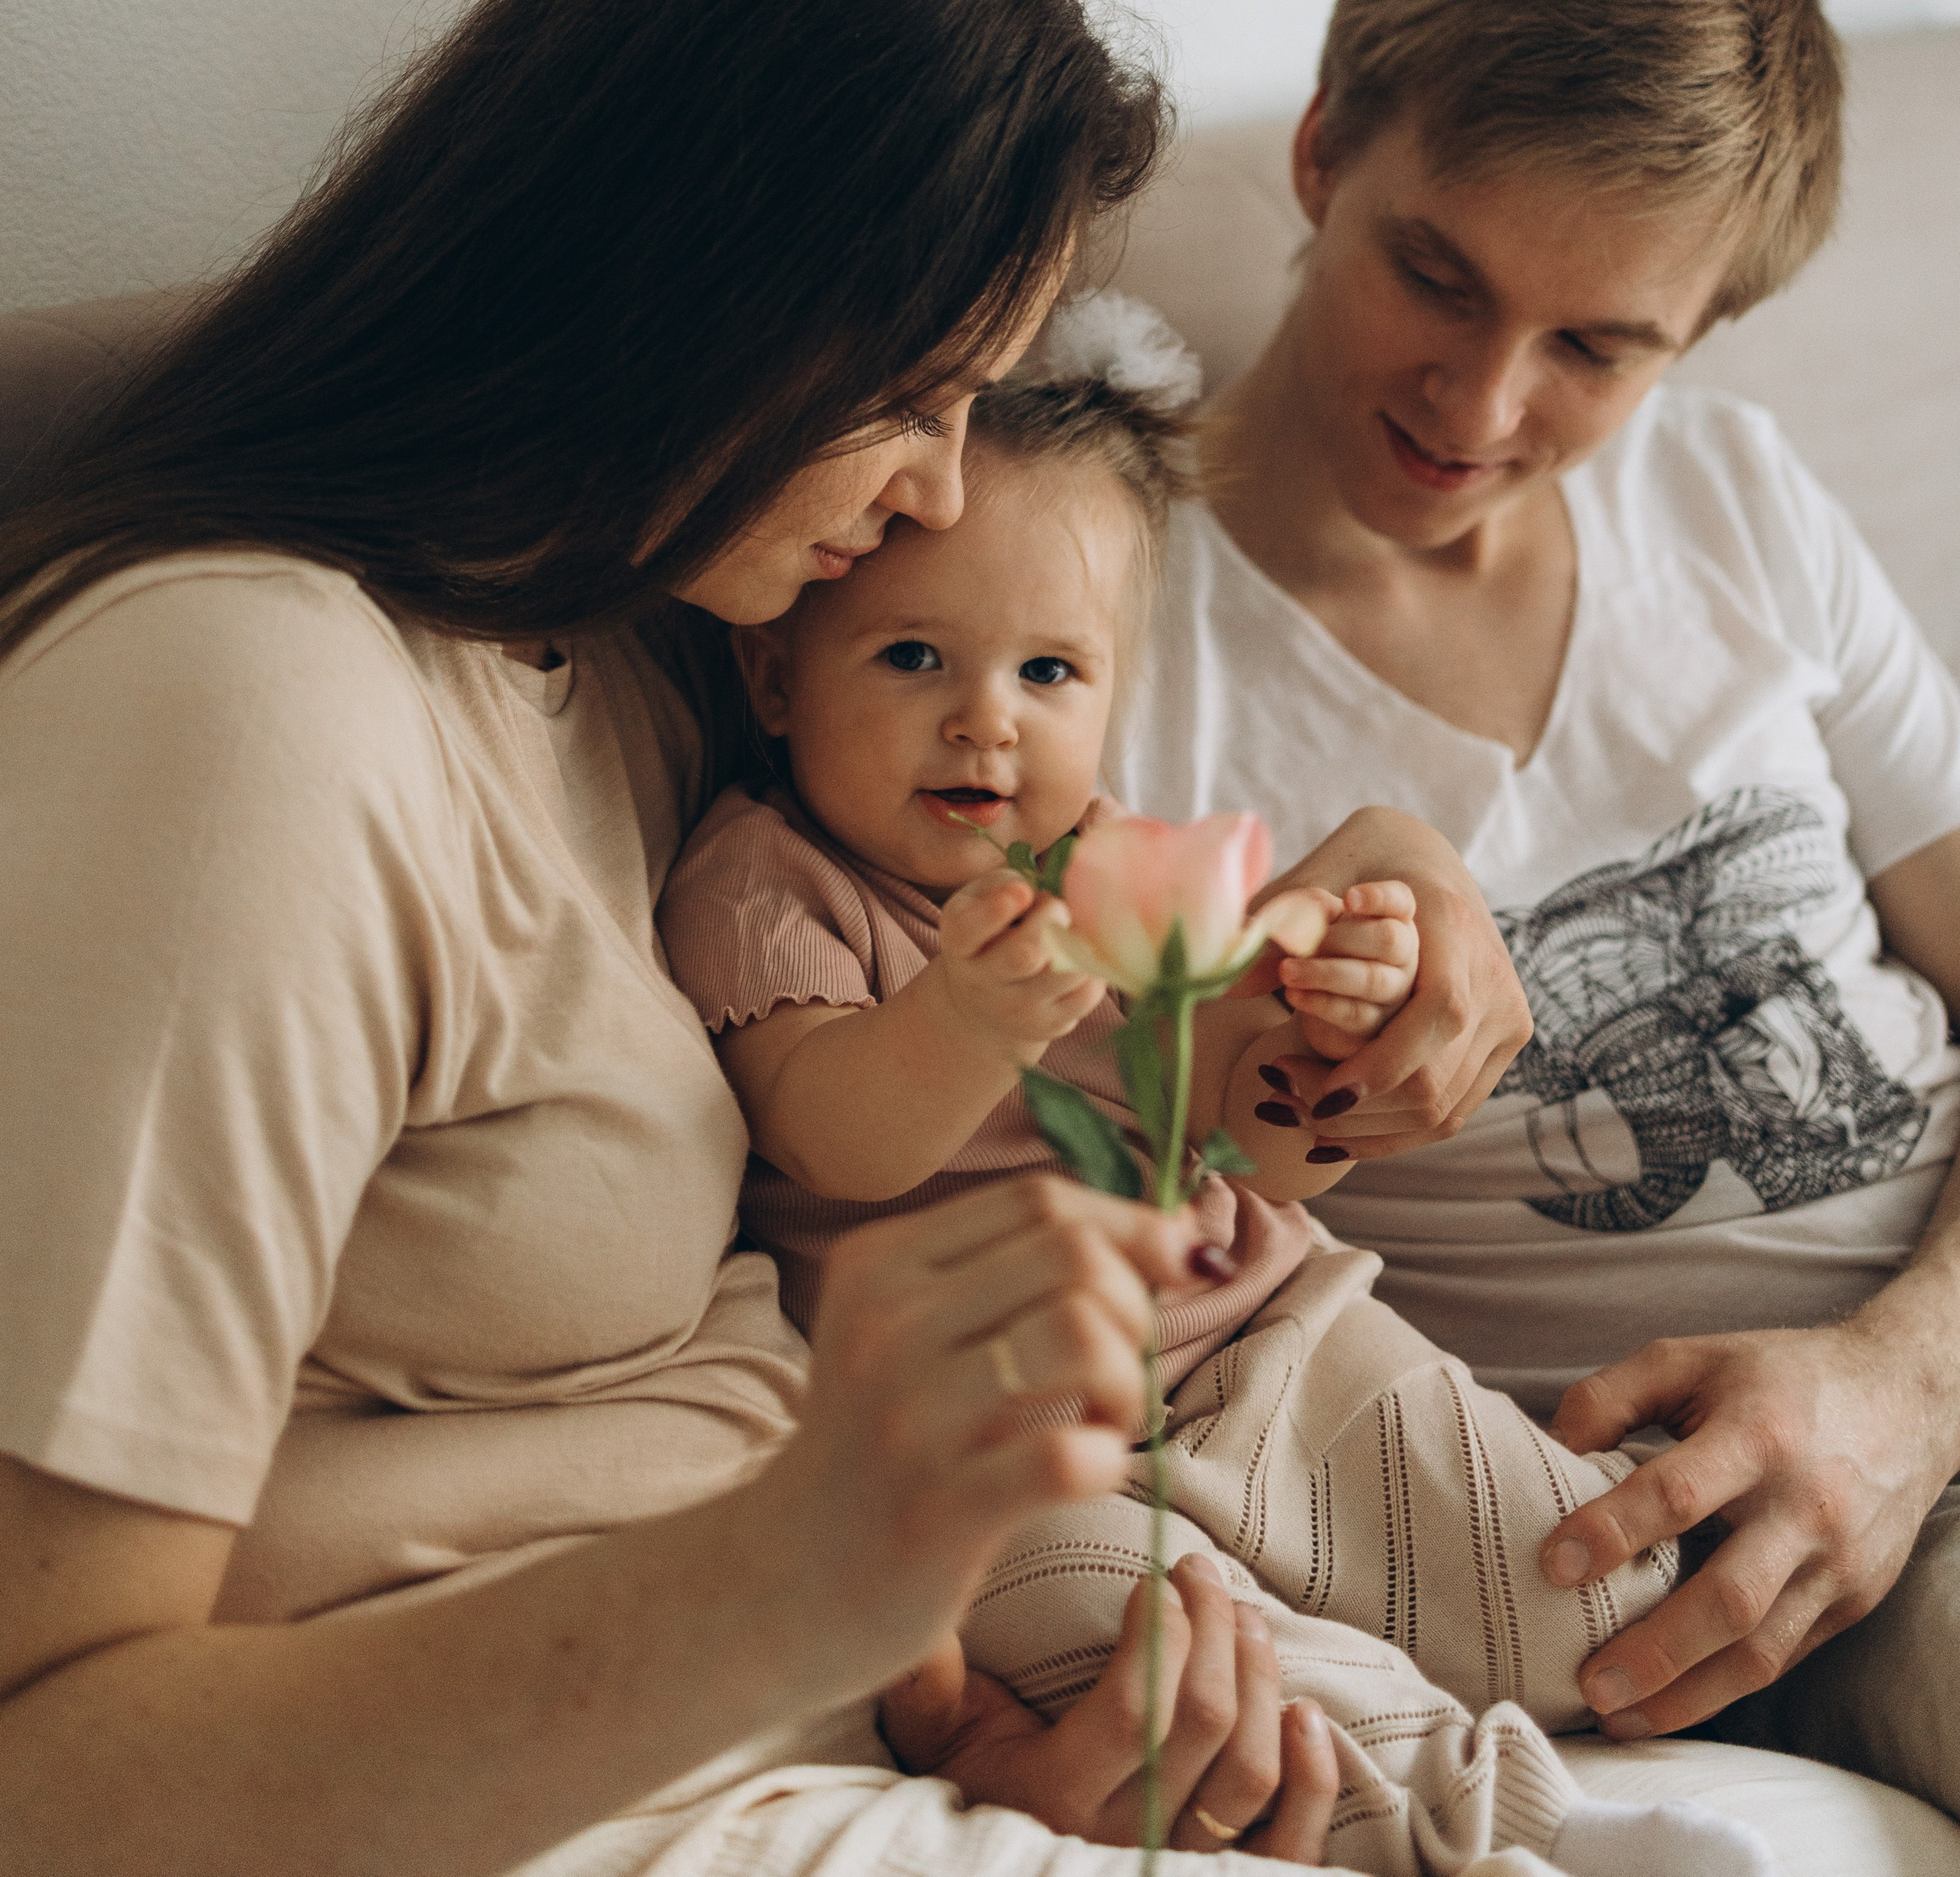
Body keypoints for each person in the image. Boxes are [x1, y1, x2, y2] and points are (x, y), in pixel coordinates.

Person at [0, 0, 1377, 1877]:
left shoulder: (662, 651)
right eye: (918, 399)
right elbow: (45, 1771)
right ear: (691, 290)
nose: (934, 497)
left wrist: (968, 1730)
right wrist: (803, 1584)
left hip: (810, 1733)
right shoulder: (249, 714)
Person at [1106, 0, 1960, 1820]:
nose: (1483, 404)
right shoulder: (1099, 638)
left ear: (1699, 336)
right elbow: (1028, 1207)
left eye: (1596, 349)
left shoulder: (1733, 498)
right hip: (1654, 1558)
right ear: (1327, 152)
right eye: (1440, 274)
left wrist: (1911, 1383)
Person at [658, 301, 1691, 1877]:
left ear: (1114, 694)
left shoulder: (1126, 865)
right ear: (779, 677)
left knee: (1597, 1593)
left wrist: (1314, 1030)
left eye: (1050, 669)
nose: (984, 717)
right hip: (1011, 1458)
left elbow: (1263, 1153)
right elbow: (834, 1137)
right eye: (912, 654)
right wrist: (967, 1016)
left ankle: (1575, 1692)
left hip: (1272, 1343)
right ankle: (1533, 1834)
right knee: (1219, 1698)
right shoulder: (765, 881)